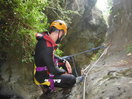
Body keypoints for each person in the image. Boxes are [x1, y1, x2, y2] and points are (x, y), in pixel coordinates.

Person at [34, 20, 83, 94]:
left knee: (65, 59)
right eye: (62, 34)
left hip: (45, 68)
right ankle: (46, 87)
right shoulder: (46, 46)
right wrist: (64, 72)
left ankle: (61, 79)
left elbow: (50, 56)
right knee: (71, 79)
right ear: (59, 32)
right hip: (43, 76)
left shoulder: (46, 40)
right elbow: (52, 69)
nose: (61, 37)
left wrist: (63, 61)